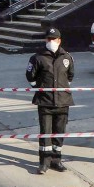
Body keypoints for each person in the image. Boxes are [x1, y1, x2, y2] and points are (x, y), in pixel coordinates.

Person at [26, 27, 75, 174]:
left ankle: (56, 160)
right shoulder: (37, 57)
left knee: (59, 133)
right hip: (45, 102)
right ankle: (44, 162)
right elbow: (30, 76)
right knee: (45, 133)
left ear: (59, 40)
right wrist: (39, 89)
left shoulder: (67, 57)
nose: (51, 41)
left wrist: (62, 89)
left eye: (53, 39)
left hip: (63, 102)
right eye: (48, 39)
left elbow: (70, 76)